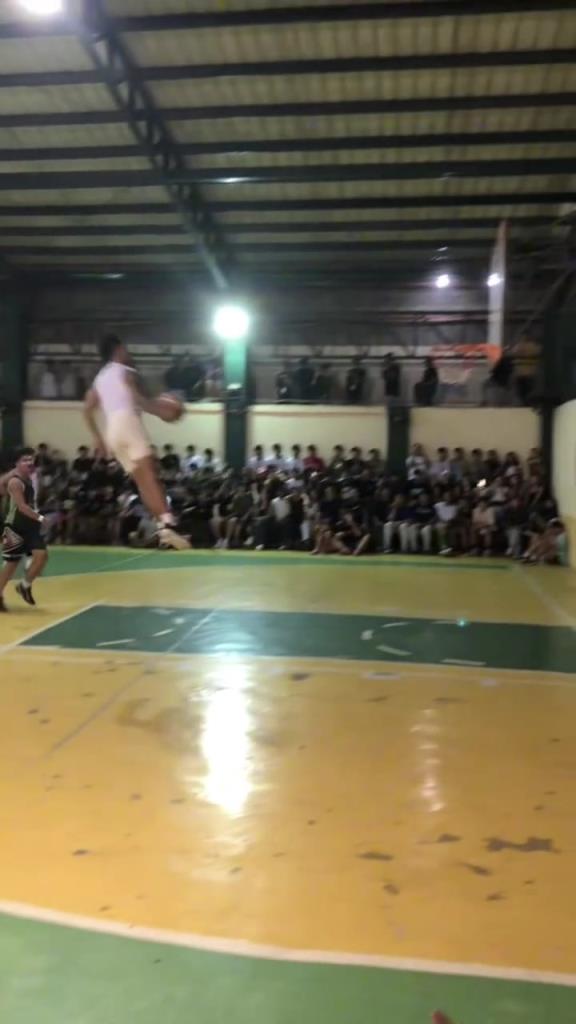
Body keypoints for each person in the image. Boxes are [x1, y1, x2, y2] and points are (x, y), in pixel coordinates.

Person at [83, 334, 190, 550]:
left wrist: (97, 438)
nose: (127, 352)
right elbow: (137, 399)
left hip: (112, 432)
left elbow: (87, 409)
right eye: (124, 348)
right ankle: (168, 525)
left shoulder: (100, 378)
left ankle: (163, 530)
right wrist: (161, 411)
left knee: (142, 482)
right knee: (150, 477)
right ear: (118, 350)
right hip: (128, 423)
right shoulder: (126, 371)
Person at [0, 448, 48, 612]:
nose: (29, 462)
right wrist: (41, 518)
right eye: (25, 460)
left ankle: (24, 586)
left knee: (41, 555)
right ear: (17, 463)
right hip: (14, 526)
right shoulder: (14, 480)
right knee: (11, 564)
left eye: (31, 459)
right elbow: (21, 506)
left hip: (31, 525)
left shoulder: (32, 476)